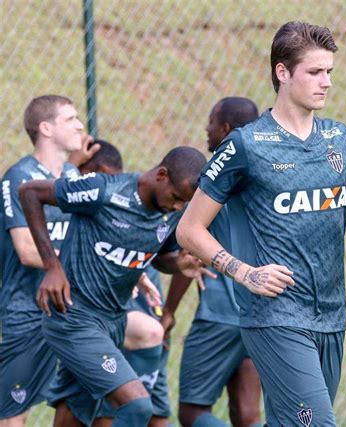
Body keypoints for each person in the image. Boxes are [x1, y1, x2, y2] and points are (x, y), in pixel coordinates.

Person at [176, 21, 346, 426]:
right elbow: (189, 229)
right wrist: (244, 272)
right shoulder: (246, 145)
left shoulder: (341, 140)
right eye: (315, 72)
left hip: (331, 316)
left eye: (329, 72)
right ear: (282, 72)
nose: (326, 82)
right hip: (273, 317)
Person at [19, 146, 208, 427]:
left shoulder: (167, 214)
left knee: (73, 416)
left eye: (185, 203)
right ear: (161, 174)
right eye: (177, 198)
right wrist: (52, 266)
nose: (178, 206)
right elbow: (30, 193)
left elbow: (157, 259)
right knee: (138, 406)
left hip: (112, 323)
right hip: (74, 317)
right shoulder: (103, 191)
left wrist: (179, 266)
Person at [161, 97, 263, 427]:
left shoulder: (213, 180)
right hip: (262, 309)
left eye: (211, 121)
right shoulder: (267, 176)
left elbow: (191, 250)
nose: (206, 128)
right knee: (247, 414)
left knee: (192, 412)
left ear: (225, 130)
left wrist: (170, 311)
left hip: (219, 313)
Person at [0, 95, 97, 427]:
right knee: (13, 416)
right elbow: (27, 250)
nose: (80, 125)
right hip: (28, 312)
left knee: (146, 334)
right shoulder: (19, 177)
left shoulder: (72, 174)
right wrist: (83, 267)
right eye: (70, 119)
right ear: (45, 128)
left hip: (72, 312)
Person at [77, 139, 173, 427]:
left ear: (101, 171)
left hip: (129, 322)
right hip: (147, 323)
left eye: (83, 174)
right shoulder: (143, 207)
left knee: (123, 407)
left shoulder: (107, 206)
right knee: (147, 407)